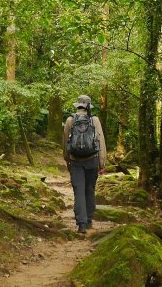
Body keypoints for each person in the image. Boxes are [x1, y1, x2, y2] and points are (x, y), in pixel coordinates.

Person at [62, 94, 107, 234]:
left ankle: (81, 224)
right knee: (89, 189)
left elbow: (65, 142)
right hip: (92, 160)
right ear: (89, 106)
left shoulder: (70, 120)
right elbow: (101, 140)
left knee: (79, 191)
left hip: (76, 161)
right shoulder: (94, 120)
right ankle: (89, 220)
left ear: (77, 105)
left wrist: (67, 159)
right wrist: (102, 162)